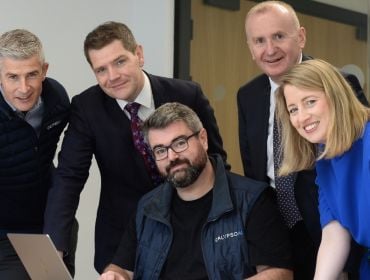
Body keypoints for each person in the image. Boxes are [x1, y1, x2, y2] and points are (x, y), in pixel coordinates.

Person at [43, 21, 228, 273]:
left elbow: (217, 162)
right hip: (122, 239)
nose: (113, 77)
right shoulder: (87, 108)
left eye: (119, 62)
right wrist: (55, 245)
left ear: (138, 54)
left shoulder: (187, 94)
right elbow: (69, 176)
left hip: (191, 232)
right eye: (101, 70)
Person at [237, 1, 368, 279]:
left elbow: (352, 140)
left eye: (279, 36)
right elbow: (253, 168)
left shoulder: (338, 82)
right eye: (259, 40)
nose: (270, 49)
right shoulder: (247, 96)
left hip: (327, 233)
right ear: (250, 48)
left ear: (301, 37)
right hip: (281, 229)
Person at [100, 102, 293, 280]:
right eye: (160, 150)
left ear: (203, 139)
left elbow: (278, 273)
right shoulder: (147, 208)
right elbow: (123, 268)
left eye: (180, 143)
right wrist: (115, 275)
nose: (172, 156)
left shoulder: (253, 200)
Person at [275, 58, 370, 279]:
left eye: (310, 102)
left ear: (335, 95)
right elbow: (334, 234)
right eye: (293, 109)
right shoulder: (325, 159)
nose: (302, 117)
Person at [0, 29, 77, 278]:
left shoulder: (57, 100)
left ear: (44, 70)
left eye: (32, 75)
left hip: (45, 224)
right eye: (12, 77)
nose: (24, 88)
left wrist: (57, 231)